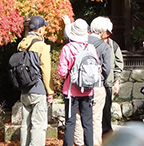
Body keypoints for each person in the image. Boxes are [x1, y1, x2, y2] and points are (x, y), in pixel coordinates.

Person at [58, 18, 100, 146]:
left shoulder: (67, 48)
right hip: (88, 91)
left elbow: (62, 72)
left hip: (71, 91)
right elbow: (97, 67)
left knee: (70, 123)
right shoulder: (91, 48)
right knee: (88, 123)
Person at [74, 18, 113, 146]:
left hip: (79, 86)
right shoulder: (104, 46)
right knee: (96, 118)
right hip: (97, 86)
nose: (108, 35)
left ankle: (79, 143)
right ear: (101, 32)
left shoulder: (81, 42)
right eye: (107, 32)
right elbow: (107, 70)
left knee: (79, 117)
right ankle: (95, 143)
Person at [17, 15, 53, 146]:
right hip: (38, 89)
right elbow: (46, 70)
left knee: (25, 124)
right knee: (38, 125)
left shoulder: (22, 44)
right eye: (44, 27)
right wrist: (50, 91)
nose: (45, 29)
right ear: (39, 29)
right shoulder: (40, 46)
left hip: (24, 89)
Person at [98, 17, 124, 136]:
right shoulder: (93, 43)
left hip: (108, 82)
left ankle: (106, 133)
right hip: (95, 82)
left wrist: (116, 81)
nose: (107, 34)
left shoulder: (113, 45)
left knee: (106, 109)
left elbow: (119, 64)